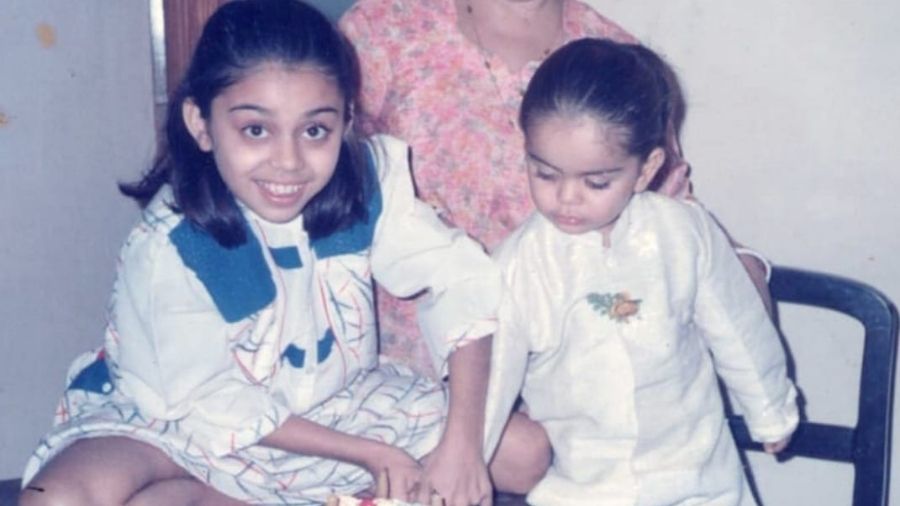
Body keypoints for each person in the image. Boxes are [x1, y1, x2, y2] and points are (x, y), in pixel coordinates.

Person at [18, 1, 499, 505]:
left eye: (315, 130)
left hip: (335, 406)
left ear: (346, 122)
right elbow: (208, 404)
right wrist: (371, 453)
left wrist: (461, 444)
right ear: (201, 124)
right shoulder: (175, 244)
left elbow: (461, 280)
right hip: (180, 422)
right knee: (55, 498)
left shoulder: (366, 185)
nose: (288, 163)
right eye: (255, 130)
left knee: (522, 452)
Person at [339, 0, 773, 494]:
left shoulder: (615, 58)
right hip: (411, 378)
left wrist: (742, 279)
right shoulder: (384, 30)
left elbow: (670, 220)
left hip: (572, 400)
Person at [482, 38, 799, 505]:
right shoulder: (518, 265)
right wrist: (469, 460)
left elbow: (738, 326)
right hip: (583, 487)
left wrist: (771, 411)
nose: (566, 199)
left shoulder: (682, 232)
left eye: (596, 182)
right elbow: (492, 382)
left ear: (647, 167)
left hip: (698, 478)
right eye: (545, 174)